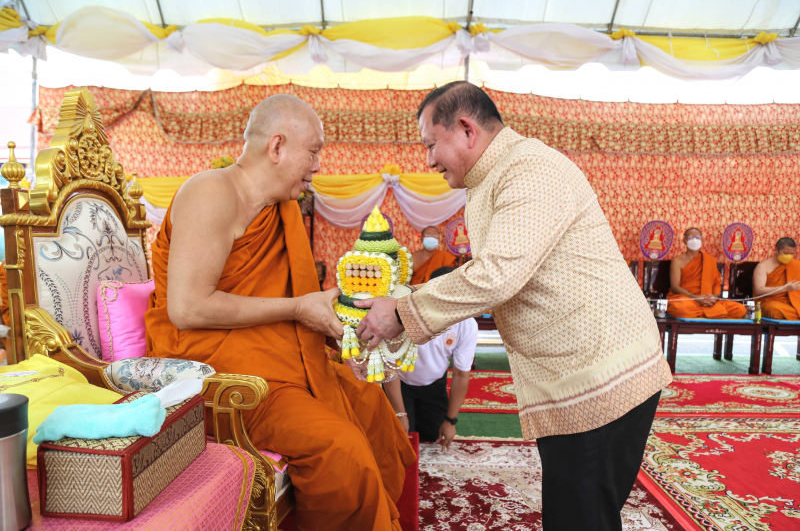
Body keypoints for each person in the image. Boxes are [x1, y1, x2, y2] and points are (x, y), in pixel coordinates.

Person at [354, 81, 672, 531]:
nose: (427, 160)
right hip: (573, 371)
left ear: (466, 129)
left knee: (580, 518)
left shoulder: (529, 169)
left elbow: (498, 273)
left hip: (602, 372)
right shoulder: (489, 179)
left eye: (430, 144)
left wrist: (404, 312)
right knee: (582, 513)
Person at [145, 94, 416, 531]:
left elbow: (290, 297)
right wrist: (299, 309)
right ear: (276, 147)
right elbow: (187, 308)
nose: (318, 165)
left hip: (278, 354)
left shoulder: (281, 208)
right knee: (340, 449)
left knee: (371, 405)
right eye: (313, 151)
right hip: (223, 372)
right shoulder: (211, 191)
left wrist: (332, 321)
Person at [383, 266, 476, 450]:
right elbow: (389, 366)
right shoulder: (404, 314)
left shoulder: (467, 323)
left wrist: (451, 420)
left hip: (434, 384)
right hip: (399, 384)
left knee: (432, 436)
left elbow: (460, 374)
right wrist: (400, 414)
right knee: (398, 437)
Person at [666, 228, 747, 319]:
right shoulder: (677, 261)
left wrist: (714, 297)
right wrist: (696, 298)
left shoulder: (710, 260)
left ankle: (703, 312)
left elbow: (716, 282)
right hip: (688, 299)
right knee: (679, 308)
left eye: (698, 237)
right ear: (684, 241)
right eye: (691, 237)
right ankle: (716, 313)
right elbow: (675, 287)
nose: (694, 240)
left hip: (708, 301)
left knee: (741, 309)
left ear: (702, 240)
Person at [754, 237, 800, 320]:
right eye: (786, 253)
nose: (789, 256)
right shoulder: (763, 267)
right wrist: (784, 288)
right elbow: (759, 290)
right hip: (771, 303)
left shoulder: (795, 265)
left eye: (791, 254)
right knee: (774, 309)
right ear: (776, 250)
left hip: (792, 305)